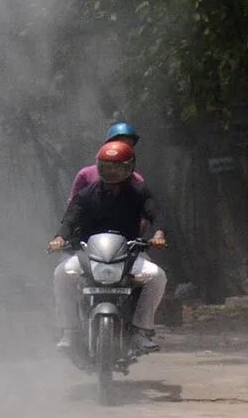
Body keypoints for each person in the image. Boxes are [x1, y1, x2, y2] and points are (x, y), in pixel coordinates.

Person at [49, 140, 168, 351]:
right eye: (106, 166)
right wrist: (60, 238)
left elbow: (155, 213)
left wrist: (158, 234)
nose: (111, 172)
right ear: (99, 166)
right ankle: (70, 331)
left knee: (157, 277)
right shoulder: (87, 195)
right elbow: (70, 219)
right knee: (61, 274)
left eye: (117, 167)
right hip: (89, 255)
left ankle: (140, 329)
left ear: (129, 167)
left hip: (129, 254)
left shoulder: (138, 193)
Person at [67, 121, 144, 204]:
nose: (124, 150)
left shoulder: (137, 180)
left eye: (129, 146)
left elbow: (146, 211)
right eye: (120, 144)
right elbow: (73, 209)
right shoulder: (86, 175)